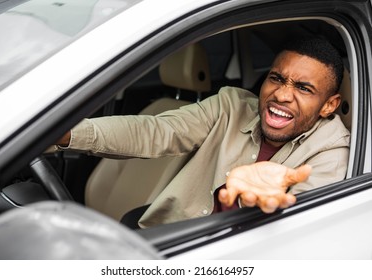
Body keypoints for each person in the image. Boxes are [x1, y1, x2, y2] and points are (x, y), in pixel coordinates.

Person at [56, 37, 350, 228]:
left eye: (303, 88)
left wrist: (254, 203)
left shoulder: (332, 152)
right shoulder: (230, 106)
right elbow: (156, 130)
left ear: (329, 105)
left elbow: (301, 231)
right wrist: (68, 134)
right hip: (164, 234)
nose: (282, 95)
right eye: (276, 78)